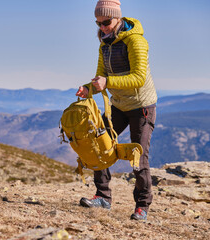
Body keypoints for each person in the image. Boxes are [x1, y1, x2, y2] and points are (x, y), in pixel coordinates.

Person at [76, 0, 157, 221]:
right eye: (98, 23)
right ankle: (103, 196)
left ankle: (142, 206)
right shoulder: (104, 44)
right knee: (97, 145)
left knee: (138, 157)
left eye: (106, 22)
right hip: (118, 106)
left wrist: (108, 81)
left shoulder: (135, 41)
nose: (102, 27)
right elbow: (101, 77)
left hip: (142, 107)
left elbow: (139, 78)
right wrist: (89, 88)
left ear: (118, 18)